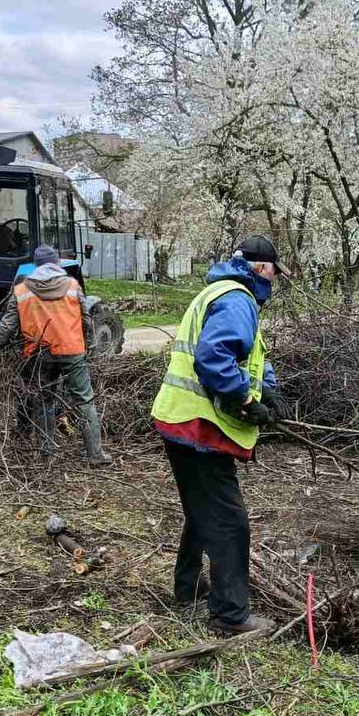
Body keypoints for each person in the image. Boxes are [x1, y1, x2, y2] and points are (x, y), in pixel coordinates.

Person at [150, 236, 291, 635]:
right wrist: (247, 399)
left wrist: (270, 389)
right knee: (230, 523)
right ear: (262, 269)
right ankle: (230, 616)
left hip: (182, 420)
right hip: (200, 424)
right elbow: (214, 358)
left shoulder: (221, 291)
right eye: (274, 273)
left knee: (202, 510)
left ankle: (189, 589)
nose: (275, 282)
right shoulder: (237, 299)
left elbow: (250, 353)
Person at [0, 245, 112, 466]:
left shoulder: (22, 289)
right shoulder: (73, 286)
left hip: (39, 353)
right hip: (72, 350)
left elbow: (6, 327)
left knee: (44, 400)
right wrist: (85, 346)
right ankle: (95, 454)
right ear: (57, 263)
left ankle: (47, 454)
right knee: (84, 400)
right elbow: (84, 319)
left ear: (36, 264)